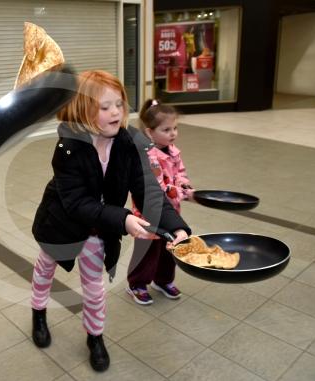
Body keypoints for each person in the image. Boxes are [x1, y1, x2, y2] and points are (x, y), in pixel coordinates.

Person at [30, 71, 190, 372]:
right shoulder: (68, 148)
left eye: (119, 103)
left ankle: (95, 336)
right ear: (84, 110)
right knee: (45, 270)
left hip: (98, 229)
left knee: (93, 286)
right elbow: (77, 203)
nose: (116, 112)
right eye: (105, 107)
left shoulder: (129, 142)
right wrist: (125, 218)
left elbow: (147, 187)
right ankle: (38, 312)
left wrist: (175, 226)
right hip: (61, 223)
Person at [126, 99, 195, 305]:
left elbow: (180, 174)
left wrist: (185, 187)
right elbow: (156, 188)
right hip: (147, 214)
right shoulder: (148, 156)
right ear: (149, 132)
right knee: (146, 251)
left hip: (171, 211)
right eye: (166, 130)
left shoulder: (173, 151)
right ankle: (137, 284)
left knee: (170, 248)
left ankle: (163, 280)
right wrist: (179, 193)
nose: (172, 133)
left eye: (175, 128)